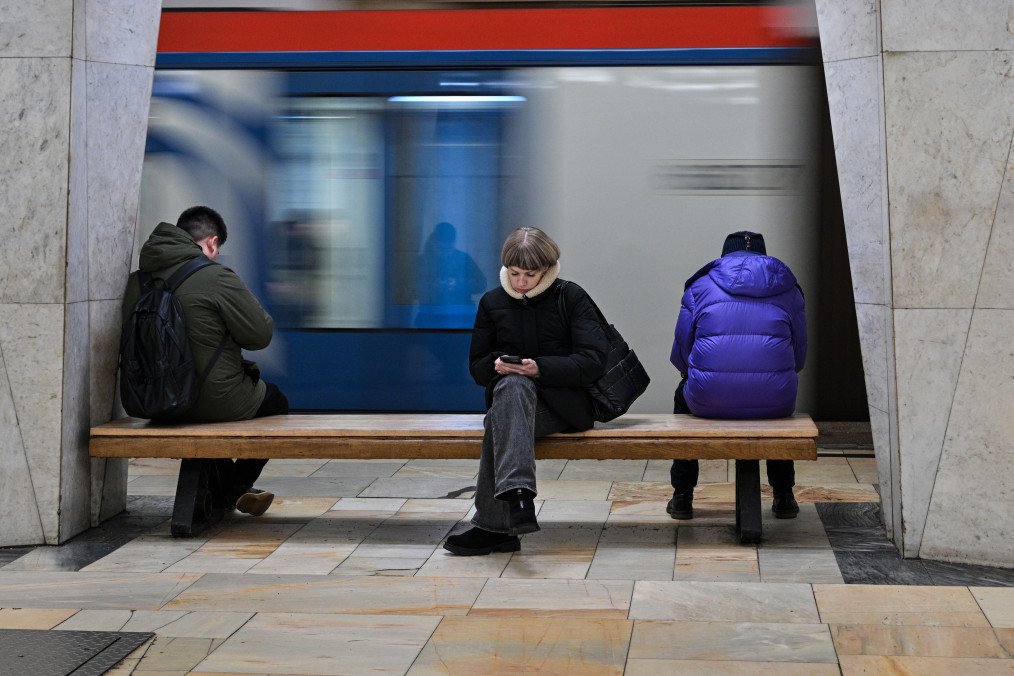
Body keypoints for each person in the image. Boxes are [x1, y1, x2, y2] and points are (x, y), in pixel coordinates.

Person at [443, 227, 608, 556]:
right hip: (512, 401)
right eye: (514, 273)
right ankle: (517, 498)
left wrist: (540, 368)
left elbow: (593, 361)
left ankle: (497, 523)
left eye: (530, 274)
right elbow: (477, 366)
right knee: (511, 390)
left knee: (502, 416)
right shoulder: (492, 302)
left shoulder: (571, 297)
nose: (520, 282)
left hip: (562, 407)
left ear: (546, 269)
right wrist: (498, 365)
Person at [121, 206, 286, 517]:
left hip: (151, 401)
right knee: (276, 402)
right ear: (211, 242)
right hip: (212, 399)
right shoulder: (216, 276)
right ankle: (233, 489)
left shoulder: (136, 282)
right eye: (218, 248)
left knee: (203, 421)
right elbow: (259, 335)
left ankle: (228, 491)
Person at [667, 231, 807, 520]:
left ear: (724, 255)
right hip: (775, 401)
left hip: (707, 400)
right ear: (765, 256)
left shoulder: (700, 286)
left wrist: (692, 374)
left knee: (682, 400)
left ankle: (682, 496)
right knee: (780, 401)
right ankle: (783, 497)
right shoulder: (789, 289)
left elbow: (681, 349)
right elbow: (800, 353)